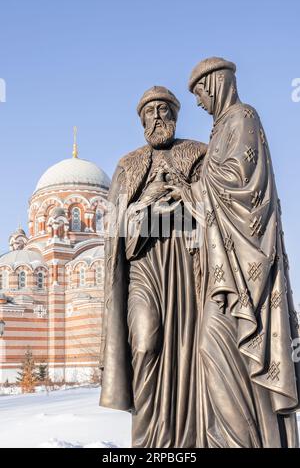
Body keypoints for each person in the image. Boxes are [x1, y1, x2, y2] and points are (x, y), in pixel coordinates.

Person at [166, 57, 300, 447]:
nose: (197, 103)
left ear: (214, 84)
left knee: (219, 345)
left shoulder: (242, 118)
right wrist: (187, 192)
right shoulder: (221, 129)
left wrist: (194, 184)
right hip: (223, 267)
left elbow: (242, 186)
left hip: (246, 264)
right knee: (214, 351)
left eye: (199, 93)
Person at [99, 86, 207, 447]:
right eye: (150, 111)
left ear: (176, 115)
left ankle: (186, 441)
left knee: (188, 352)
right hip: (143, 267)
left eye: (165, 109)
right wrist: (146, 206)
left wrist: (182, 199)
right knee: (144, 342)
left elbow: (216, 213)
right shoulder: (128, 166)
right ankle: (146, 442)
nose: (158, 116)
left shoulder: (197, 155)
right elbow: (115, 231)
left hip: (187, 267)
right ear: (141, 119)